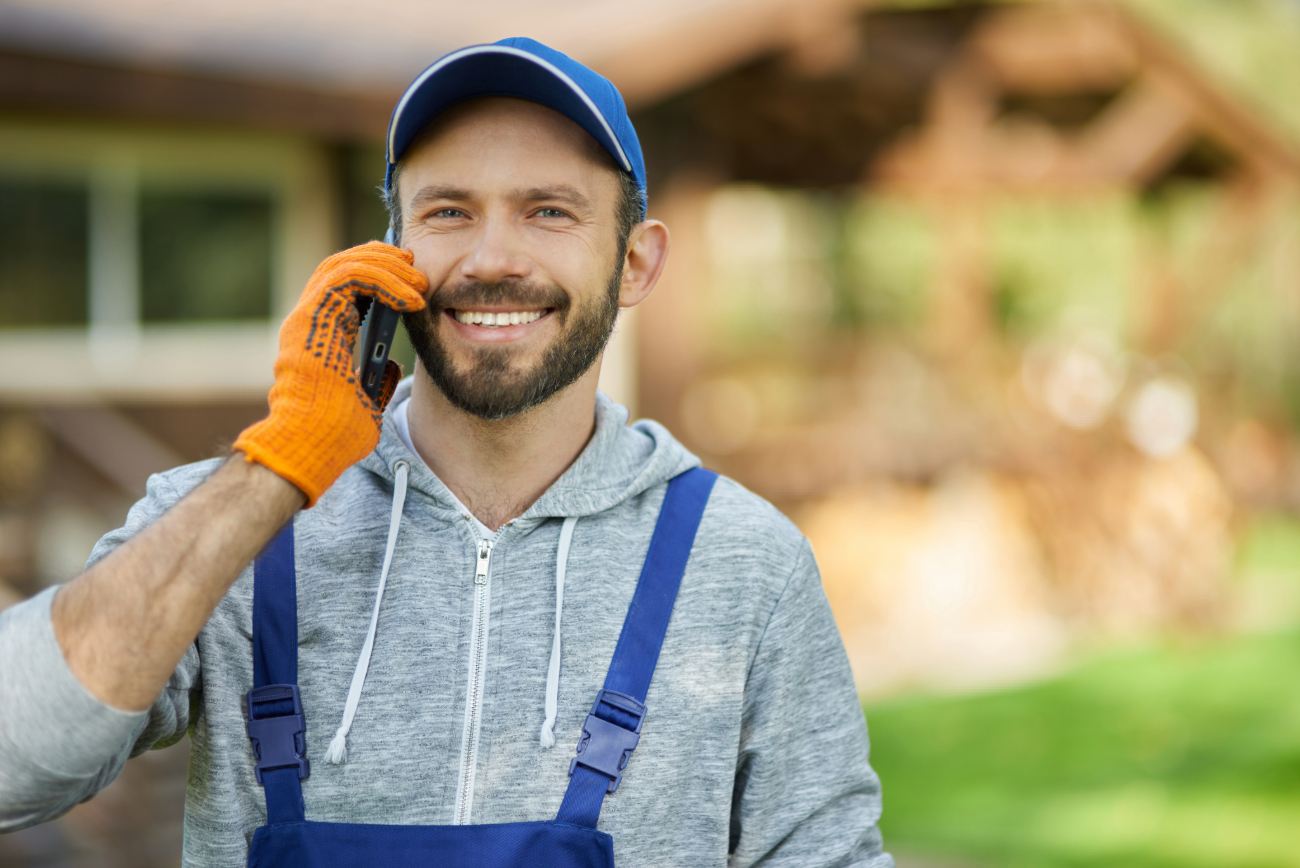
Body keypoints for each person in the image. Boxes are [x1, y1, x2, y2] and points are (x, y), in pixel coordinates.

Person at [0, 38, 891, 867]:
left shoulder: (743, 564)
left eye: (549, 210)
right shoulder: (234, 528)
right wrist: (276, 470)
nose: (491, 257)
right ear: (389, 254)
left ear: (635, 263)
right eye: (448, 211)